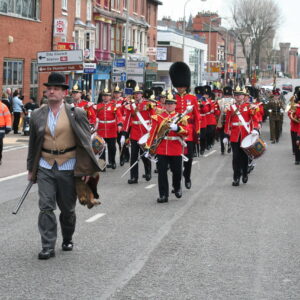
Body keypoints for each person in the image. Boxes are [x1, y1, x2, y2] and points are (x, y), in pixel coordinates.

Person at [27, 72, 100, 260]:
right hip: (45, 165)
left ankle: (67, 237)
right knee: (45, 207)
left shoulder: (77, 113)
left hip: (68, 166)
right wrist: (30, 170)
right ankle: (47, 245)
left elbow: (85, 142)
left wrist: (87, 170)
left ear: (64, 93)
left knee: (67, 210)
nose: (51, 91)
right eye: (49, 88)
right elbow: (33, 144)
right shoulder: (37, 114)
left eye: (56, 89)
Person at [144, 93, 188, 203]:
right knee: (162, 172)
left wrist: (177, 128)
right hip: (162, 148)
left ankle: (177, 187)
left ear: (175, 105)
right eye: (167, 103)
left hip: (175, 148)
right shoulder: (158, 117)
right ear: (164, 105)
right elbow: (153, 133)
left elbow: (187, 132)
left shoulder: (181, 117)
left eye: (171, 104)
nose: (169, 106)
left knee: (177, 171)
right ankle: (163, 195)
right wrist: (148, 147)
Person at [169, 62, 200, 189]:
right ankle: (176, 181)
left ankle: (187, 176)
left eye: (182, 86)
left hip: (188, 132)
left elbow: (197, 116)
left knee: (188, 158)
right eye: (178, 87)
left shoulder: (192, 98)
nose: (180, 88)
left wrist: (197, 131)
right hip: (175, 131)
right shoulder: (172, 97)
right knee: (174, 158)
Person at [224, 86, 259, 186]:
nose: (238, 97)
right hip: (235, 135)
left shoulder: (249, 106)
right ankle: (236, 177)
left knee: (244, 157)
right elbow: (228, 121)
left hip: (246, 135)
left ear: (244, 96)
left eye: (240, 95)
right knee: (235, 157)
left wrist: (255, 129)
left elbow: (254, 119)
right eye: (236, 95)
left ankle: (244, 173)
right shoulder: (231, 107)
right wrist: (226, 134)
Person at [123, 83, 155, 184]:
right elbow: (127, 120)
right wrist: (124, 134)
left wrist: (153, 131)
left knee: (145, 155)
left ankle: (148, 171)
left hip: (146, 133)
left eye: (139, 93)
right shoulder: (130, 106)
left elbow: (153, 117)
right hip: (135, 133)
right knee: (133, 156)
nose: (137, 95)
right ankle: (134, 177)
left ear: (142, 94)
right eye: (135, 94)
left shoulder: (148, 104)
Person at [95, 87, 123, 169]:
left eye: (107, 96)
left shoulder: (114, 106)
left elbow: (119, 116)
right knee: (101, 148)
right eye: (104, 96)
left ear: (110, 97)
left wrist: (120, 124)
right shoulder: (98, 106)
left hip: (111, 129)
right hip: (101, 130)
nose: (105, 97)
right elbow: (94, 117)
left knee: (112, 148)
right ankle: (102, 165)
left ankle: (112, 162)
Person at [0, 94, 12, 165]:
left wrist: (8, 127)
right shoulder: (4, 106)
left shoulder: (3, 106)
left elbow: (7, 117)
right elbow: (8, 117)